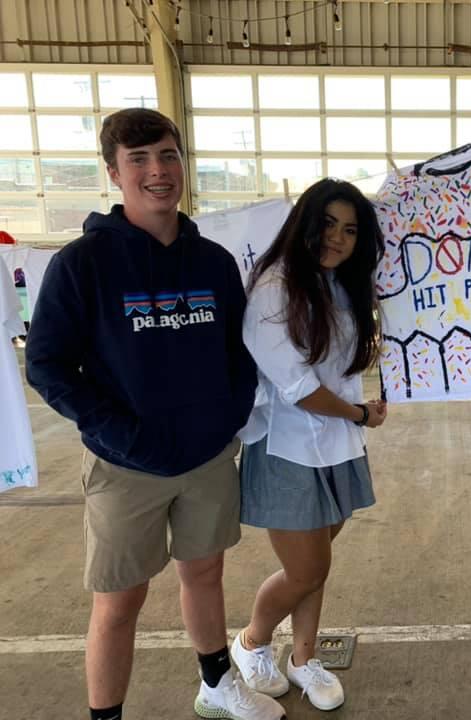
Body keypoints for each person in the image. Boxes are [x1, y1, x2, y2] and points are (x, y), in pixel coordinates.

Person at [25, 108, 284, 720]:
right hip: (124, 466)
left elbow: (238, 352)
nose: (157, 171)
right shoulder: (81, 264)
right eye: (138, 160)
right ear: (114, 173)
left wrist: (228, 416)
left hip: (207, 455)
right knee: (119, 601)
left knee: (205, 573)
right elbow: (48, 366)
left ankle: (217, 685)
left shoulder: (214, 263)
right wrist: (115, 431)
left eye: (167, 155)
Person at [228, 179, 387, 713]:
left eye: (349, 229)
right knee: (306, 569)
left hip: (337, 443)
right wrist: (361, 413)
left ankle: (303, 658)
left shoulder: (342, 284)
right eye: (327, 224)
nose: (337, 238)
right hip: (288, 447)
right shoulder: (274, 287)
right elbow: (296, 387)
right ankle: (251, 642)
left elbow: (337, 366)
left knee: (317, 562)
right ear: (304, 221)